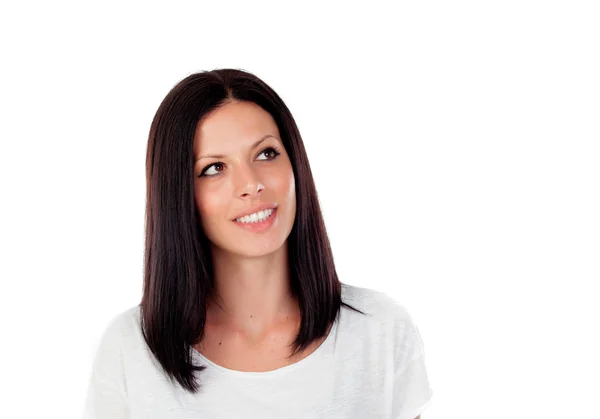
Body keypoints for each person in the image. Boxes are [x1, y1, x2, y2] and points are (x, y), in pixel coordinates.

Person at [82, 68, 433, 419]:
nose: (251, 184)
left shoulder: (380, 331)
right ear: (179, 195)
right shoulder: (129, 350)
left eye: (266, 154)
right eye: (214, 167)